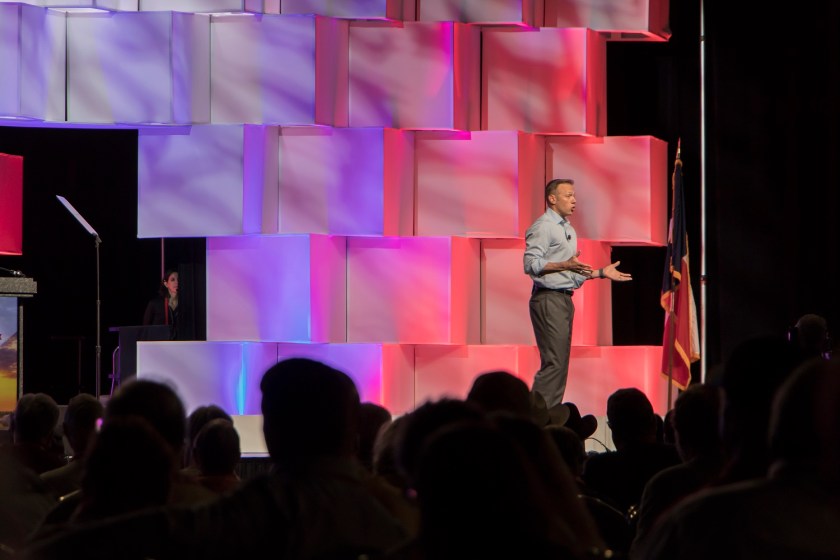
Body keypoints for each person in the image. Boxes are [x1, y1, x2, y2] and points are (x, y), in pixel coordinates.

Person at [523, 178, 632, 408]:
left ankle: (547, 417)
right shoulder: (543, 227)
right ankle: (536, 420)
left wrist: (601, 272)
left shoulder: (567, 229)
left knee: (559, 364)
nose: (574, 200)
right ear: (552, 199)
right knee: (554, 364)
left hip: (563, 299)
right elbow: (531, 264)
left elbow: (571, 273)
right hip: (548, 299)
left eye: (574, 195)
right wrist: (564, 265)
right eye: (568, 195)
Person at [143, 268, 182, 340]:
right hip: (160, 345)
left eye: (179, 279)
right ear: (166, 284)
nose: (177, 282)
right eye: (173, 280)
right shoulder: (155, 304)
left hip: (180, 344)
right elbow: (145, 329)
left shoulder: (186, 304)